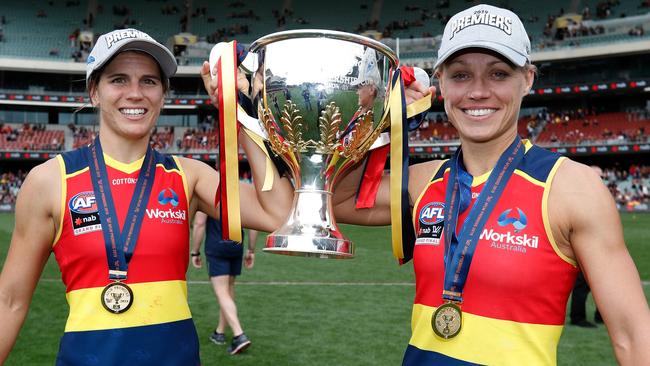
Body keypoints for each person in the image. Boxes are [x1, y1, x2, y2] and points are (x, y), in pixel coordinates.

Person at [329, 4, 650, 365]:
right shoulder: (424, 181)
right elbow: (337, 200)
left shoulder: (571, 188)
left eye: (498, 74)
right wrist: (382, 119)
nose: (478, 92)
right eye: (461, 75)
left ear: (528, 79)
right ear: (440, 82)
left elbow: (634, 336)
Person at [0, 28, 291, 365]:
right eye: (119, 80)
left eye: (149, 81)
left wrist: (238, 114)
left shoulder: (188, 176)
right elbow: (9, 301)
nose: (135, 93)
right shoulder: (50, 180)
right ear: (94, 92)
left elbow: (277, 214)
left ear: (163, 94)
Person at [191, 211, 257, 355]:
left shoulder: (207, 189)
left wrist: (195, 252)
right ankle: (219, 332)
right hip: (236, 246)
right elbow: (253, 224)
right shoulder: (241, 189)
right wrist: (251, 249)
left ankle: (239, 335)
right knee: (228, 289)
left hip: (217, 246)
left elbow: (199, 223)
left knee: (222, 292)